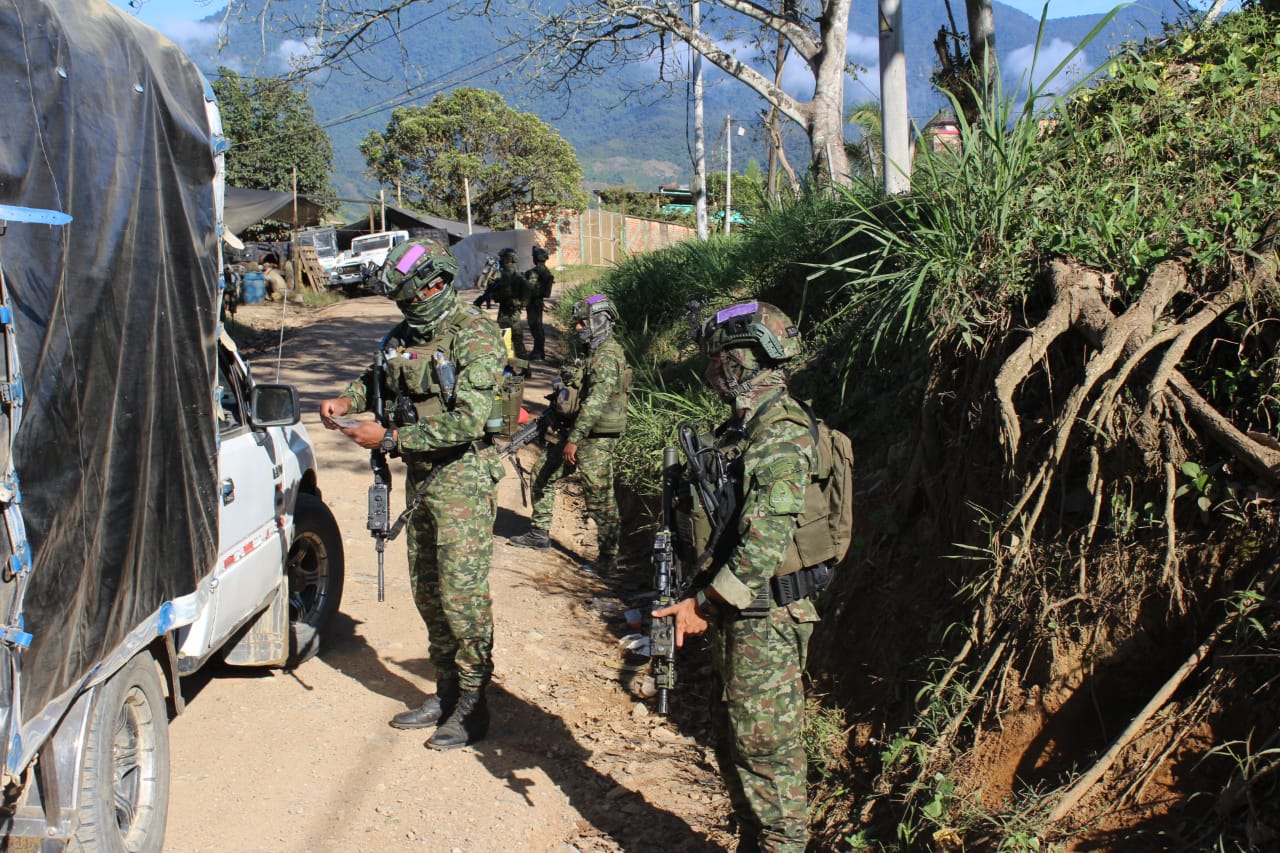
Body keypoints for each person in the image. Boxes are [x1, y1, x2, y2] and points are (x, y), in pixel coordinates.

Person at [318, 239, 506, 751]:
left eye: (412, 296)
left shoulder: (475, 336)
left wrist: (393, 440)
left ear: (438, 285)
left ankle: (472, 703)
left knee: (462, 598)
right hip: (421, 478)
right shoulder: (404, 335)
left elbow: (468, 420)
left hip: (463, 482)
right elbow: (375, 377)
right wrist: (345, 399)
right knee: (427, 590)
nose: (407, 308)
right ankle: (446, 691)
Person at [653, 301, 823, 852]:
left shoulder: (780, 432)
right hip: (740, 615)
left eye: (717, 359)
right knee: (735, 749)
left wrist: (702, 606)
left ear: (742, 361)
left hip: (767, 621)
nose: (709, 371)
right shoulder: (743, 430)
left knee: (768, 763)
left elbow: (764, 543)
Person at [508, 294, 632, 575]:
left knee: (599, 496)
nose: (578, 328)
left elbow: (595, 402)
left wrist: (573, 440)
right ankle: (539, 533)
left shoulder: (607, 356)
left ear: (600, 322)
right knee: (541, 472)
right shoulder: (594, 354)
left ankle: (608, 560)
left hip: (595, 438)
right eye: (577, 323)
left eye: (583, 323)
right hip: (580, 432)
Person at [492, 247, 528, 359]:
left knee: (506, 342)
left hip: (508, 314)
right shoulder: (516, 275)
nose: (500, 260)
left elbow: (499, 296)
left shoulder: (507, 276)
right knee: (517, 342)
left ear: (507, 259)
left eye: (502, 258)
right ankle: (523, 368)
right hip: (511, 313)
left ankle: (510, 370)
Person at [524, 246, 554, 360]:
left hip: (533, 302)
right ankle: (540, 351)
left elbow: (530, 288)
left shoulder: (533, 272)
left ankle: (538, 351)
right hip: (538, 302)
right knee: (538, 326)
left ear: (536, 258)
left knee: (535, 326)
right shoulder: (546, 271)